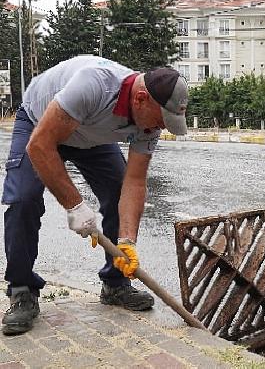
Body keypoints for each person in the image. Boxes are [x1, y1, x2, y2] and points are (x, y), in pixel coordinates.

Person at [1, 55, 189, 335]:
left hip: (91, 138)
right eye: (161, 120)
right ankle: (22, 290)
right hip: (41, 123)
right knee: (23, 199)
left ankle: (115, 283)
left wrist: (126, 241)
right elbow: (40, 146)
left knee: (116, 193)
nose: (159, 128)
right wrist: (75, 206)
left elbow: (134, 183)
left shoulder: (149, 121)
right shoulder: (93, 85)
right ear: (139, 99)